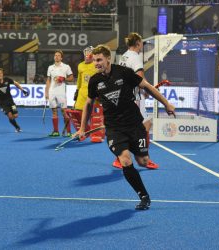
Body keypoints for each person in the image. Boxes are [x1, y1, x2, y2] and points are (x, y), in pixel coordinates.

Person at [75, 45, 175, 210]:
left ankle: (139, 156)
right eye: (94, 61)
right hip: (114, 129)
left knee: (142, 161)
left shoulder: (124, 72)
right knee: (125, 160)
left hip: (135, 125)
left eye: (99, 60)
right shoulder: (94, 81)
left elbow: (148, 87)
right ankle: (143, 195)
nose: (96, 63)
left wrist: (167, 103)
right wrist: (82, 128)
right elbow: (89, 103)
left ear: (108, 59)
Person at [115, 32, 159, 170]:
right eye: (141, 44)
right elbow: (139, 79)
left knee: (135, 127)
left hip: (123, 96)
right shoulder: (136, 57)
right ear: (138, 43)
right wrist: (147, 90)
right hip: (134, 98)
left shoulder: (124, 56)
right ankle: (145, 158)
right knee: (145, 126)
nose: (142, 47)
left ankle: (119, 158)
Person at [70, 46, 105, 142]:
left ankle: (97, 135)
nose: (87, 57)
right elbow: (80, 80)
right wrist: (77, 91)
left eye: (89, 55)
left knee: (95, 115)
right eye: (85, 55)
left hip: (94, 93)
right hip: (82, 93)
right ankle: (82, 132)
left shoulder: (96, 64)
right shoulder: (80, 65)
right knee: (77, 113)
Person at [0, 68, 28, 132]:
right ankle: (17, 127)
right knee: (10, 116)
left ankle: (12, 120)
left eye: (0, 73)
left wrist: (23, 90)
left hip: (10, 101)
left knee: (15, 115)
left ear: (2, 74)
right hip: (2, 103)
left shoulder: (7, 80)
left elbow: (16, 83)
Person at [45, 50, 74, 137]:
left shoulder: (66, 67)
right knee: (54, 111)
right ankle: (56, 131)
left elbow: (72, 78)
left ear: (61, 57)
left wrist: (63, 78)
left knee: (64, 112)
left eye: (58, 55)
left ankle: (69, 132)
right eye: (55, 55)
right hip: (52, 92)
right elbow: (48, 80)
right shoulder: (50, 67)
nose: (56, 57)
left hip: (61, 92)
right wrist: (46, 92)